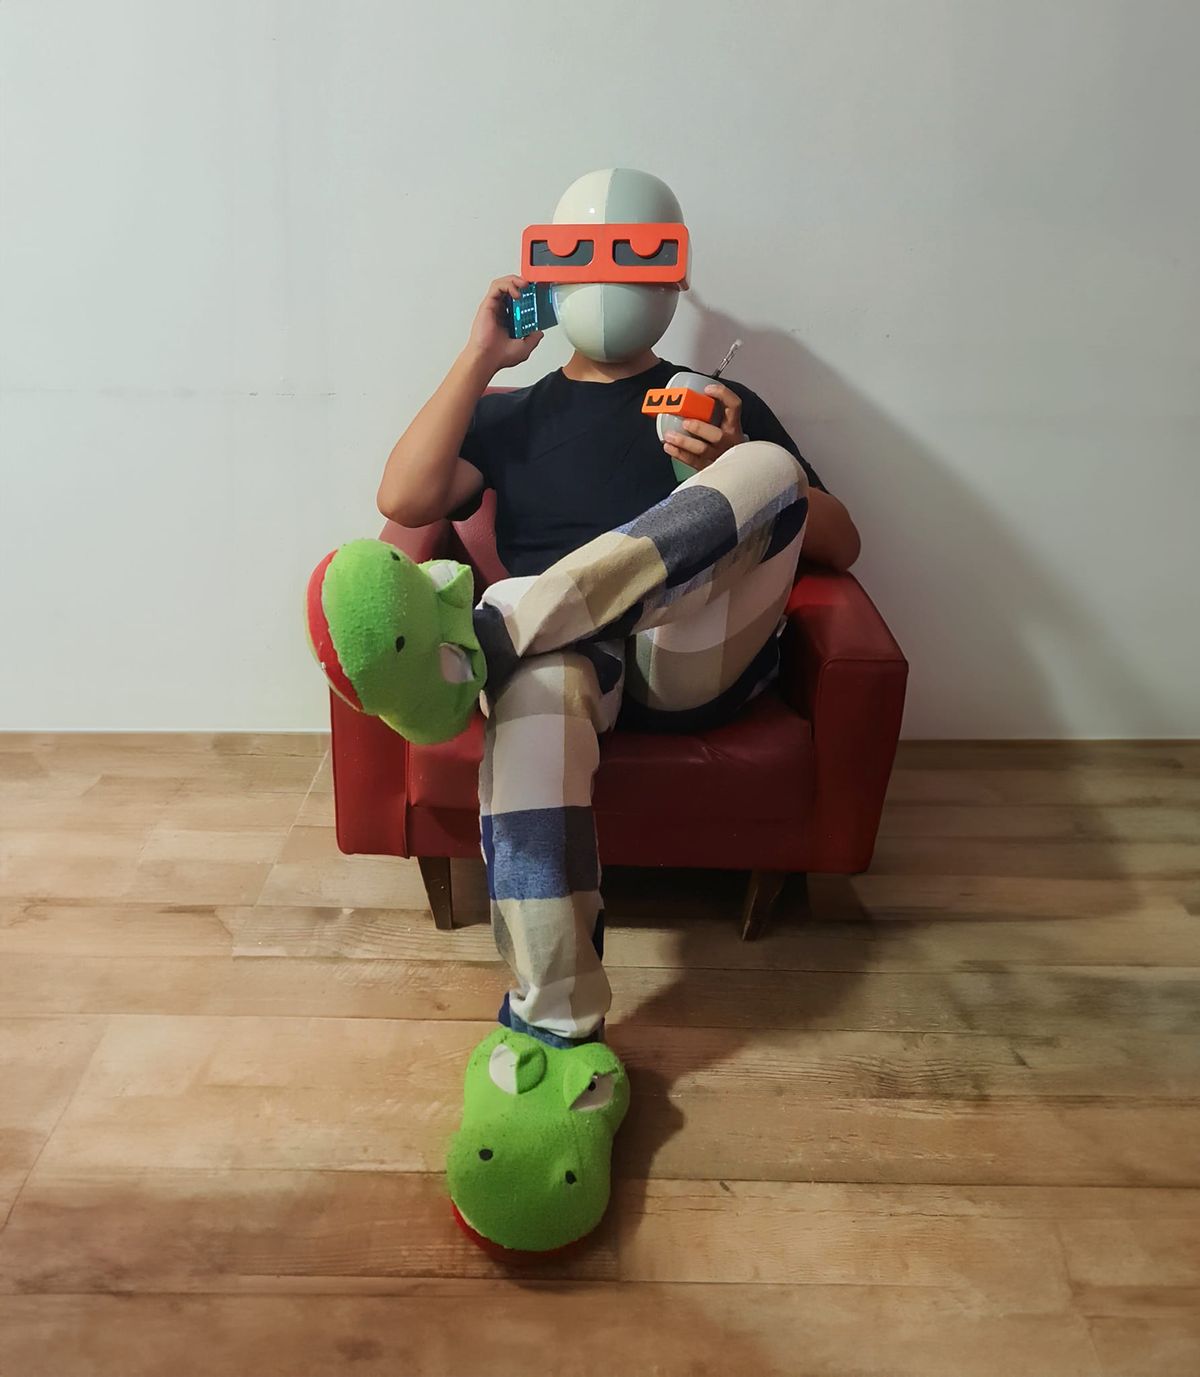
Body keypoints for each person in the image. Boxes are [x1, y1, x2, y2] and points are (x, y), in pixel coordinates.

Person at [307, 169, 860, 1256]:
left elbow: (836, 540)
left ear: (676, 274)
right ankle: (554, 1044)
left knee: (769, 470)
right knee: (536, 692)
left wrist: (730, 459)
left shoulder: (716, 396)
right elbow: (404, 499)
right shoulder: (510, 415)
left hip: (695, 652)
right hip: (570, 666)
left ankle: (485, 634)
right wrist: (481, 358)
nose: (608, 277)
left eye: (639, 254)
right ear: (544, 276)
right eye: (578, 256)